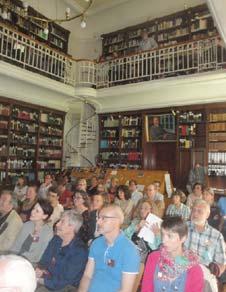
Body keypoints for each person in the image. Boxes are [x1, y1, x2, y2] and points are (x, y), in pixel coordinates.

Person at [78, 205, 140, 292]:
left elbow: (125, 290)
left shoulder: (130, 251)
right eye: (98, 218)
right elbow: (87, 276)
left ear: (117, 221)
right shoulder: (96, 243)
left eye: (103, 218)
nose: (98, 222)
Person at [142, 216, 204, 292]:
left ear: (183, 238)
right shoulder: (154, 258)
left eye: (170, 236)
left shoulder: (194, 270)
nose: (164, 241)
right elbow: (146, 289)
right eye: (163, 234)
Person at [35, 210, 88, 291]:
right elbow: (44, 261)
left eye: (62, 222)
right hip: (48, 278)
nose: (57, 224)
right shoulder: (56, 239)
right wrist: (39, 270)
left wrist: (41, 280)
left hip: (66, 287)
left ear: (71, 227)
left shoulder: (80, 251)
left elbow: (63, 280)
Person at [185, 199, 226, 279]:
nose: (195, 213)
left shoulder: (216, 236)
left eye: (199, 211)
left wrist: (212, 274)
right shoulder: (182, 228)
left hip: (204, 275)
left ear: (207, 215)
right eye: (193, 210)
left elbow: (222, 263)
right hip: (183, 272)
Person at [11, 198, 53, 265]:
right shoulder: (27, 225)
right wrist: (12, 257)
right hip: (16, 259)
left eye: (37, 211)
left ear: (44, 216)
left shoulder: (47, 233)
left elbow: (38, 257)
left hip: (30, 264)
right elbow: (15, 245)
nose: (32, 212)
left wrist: (20, 258)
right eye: (33, 208)